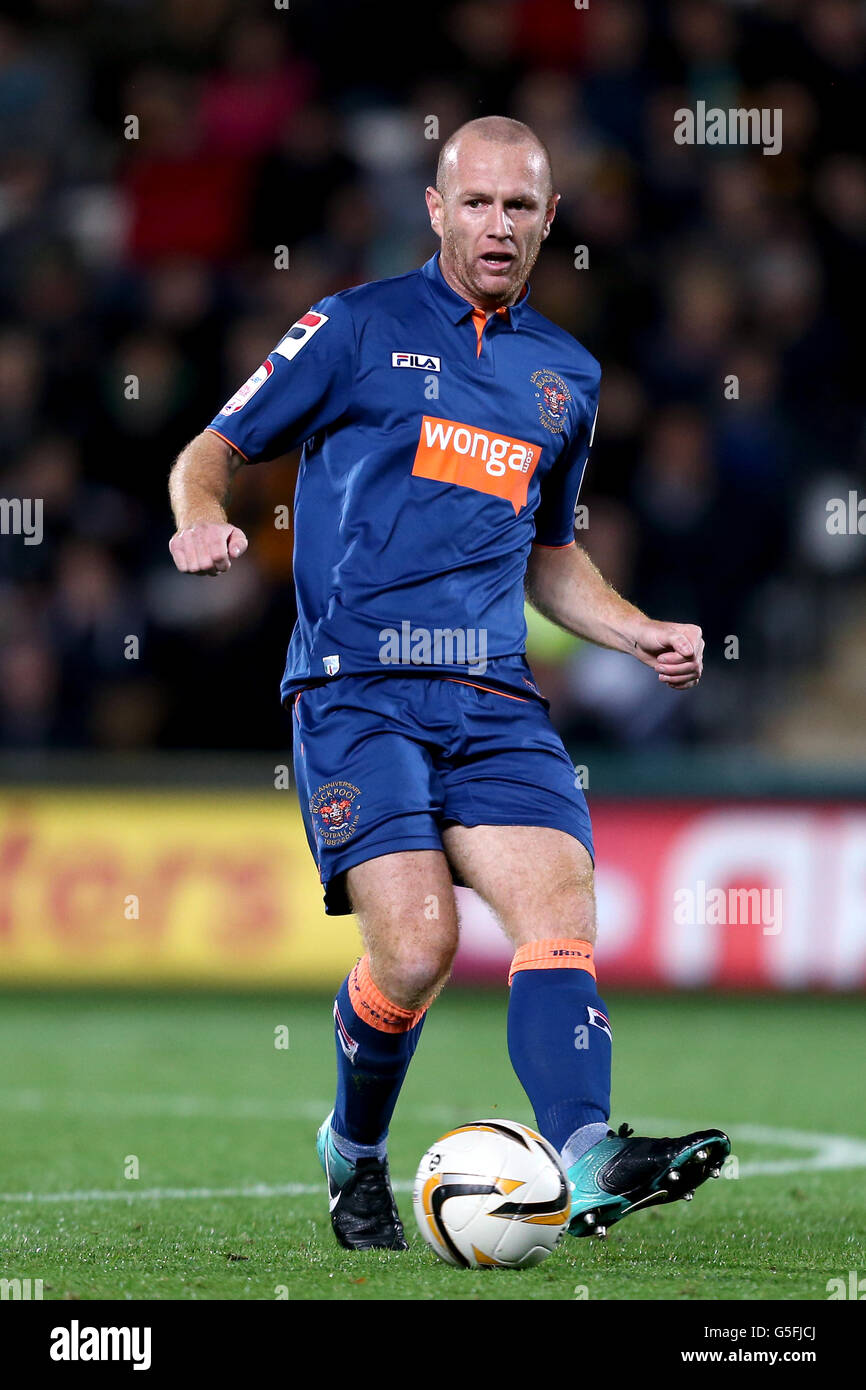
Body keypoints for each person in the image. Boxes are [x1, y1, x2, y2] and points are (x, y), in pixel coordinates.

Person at [168, 116, 729, 1252]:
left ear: (549, 220)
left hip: (492, 695)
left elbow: (549, 553)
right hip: (356, 688)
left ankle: (583, 1156)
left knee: (557, 904)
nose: (496, 226)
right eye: (474, 203)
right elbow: (211, 449)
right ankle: (354, 1152)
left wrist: (634, 631)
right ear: (434, 209)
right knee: (416, 949)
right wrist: (199, 521)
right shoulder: (351, 326)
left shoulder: (565, 375)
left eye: (519, 207)